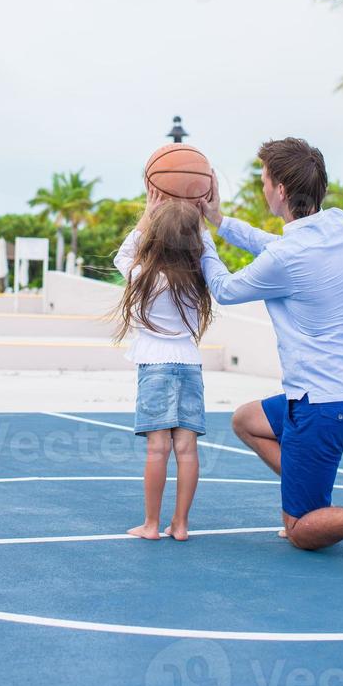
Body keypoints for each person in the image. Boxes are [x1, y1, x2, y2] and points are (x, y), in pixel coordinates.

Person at [199, 137, 343, 571]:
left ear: (279, 191)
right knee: (246, 420)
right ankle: (310, 491)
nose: (262, 187)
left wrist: (200, 239)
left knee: (298, 530)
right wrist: (219, 221)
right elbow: (275, 249)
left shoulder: (287, 257)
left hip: (321, 408)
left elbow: (223, 288)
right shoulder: (341, 224)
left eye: (264, 180)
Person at [114, 190, 213, 541]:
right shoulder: (199, 279)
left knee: (158, 449)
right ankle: (181, 525)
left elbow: (123, 254)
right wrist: (201, 219)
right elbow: (208, 252)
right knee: (187, 449)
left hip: (155, 366)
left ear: (156, 236)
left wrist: (147, 212)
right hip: (189, 365)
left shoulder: (143, 276)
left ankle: (152, 525)